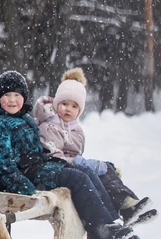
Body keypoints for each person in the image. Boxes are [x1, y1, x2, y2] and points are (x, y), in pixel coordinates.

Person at [0, 70, 139, 239]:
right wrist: (25, 188)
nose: (12, 100)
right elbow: (1, 162)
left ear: (24, 97)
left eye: (17, 95)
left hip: (39, 166)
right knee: (77, 178)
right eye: (6, 95)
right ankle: (101, 233)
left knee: (84, 172)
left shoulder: (24, 118)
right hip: (26, 175)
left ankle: (111, 225)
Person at [33, 68, 155, 227]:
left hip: (72, 167)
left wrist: (86, 163)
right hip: (57, 171)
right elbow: (53, 156)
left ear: (79, 110)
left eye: (74, 106)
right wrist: (79, 162)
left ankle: (128, 205)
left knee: (107, 169)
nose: (68, 109)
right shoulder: (50, 126)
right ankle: (111, 221)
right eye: (64, 104)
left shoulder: (75, 129)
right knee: (91, 172)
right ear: (56, 105)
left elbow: (75, 154)